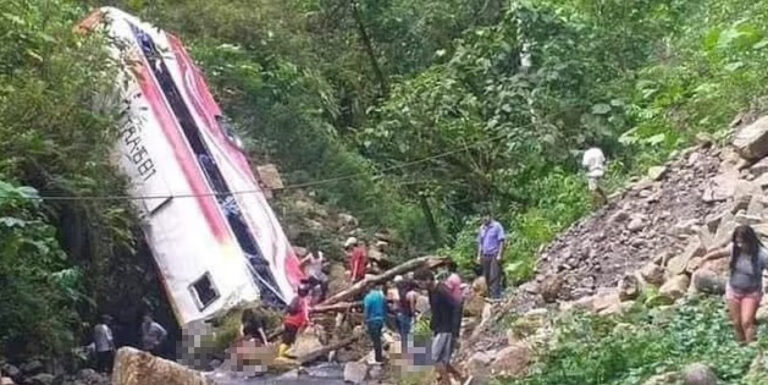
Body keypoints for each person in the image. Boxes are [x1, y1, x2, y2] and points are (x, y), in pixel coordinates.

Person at [702, 225, 768, 343]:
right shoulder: (735, 248)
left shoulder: (762, 254)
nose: (740, 245)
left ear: (750, 240)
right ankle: (740, 348)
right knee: (736, 323)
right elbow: (722, 253)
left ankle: (751, 349)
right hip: (733, 290)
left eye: (743, 242)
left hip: (751, 292)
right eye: (738, 242)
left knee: (747, 322)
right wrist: (706, 258)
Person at [414, 269, 464, 385]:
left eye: (421, 283)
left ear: (428, 279)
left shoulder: (441, 290)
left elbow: (456, 307)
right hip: (439, 328)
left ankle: (447, 383)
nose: (420, 286)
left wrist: (455, 332)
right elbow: (436, 310)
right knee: (443, 361)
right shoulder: (431, 291)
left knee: (434, 358)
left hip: (446, 329)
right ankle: (461, 378)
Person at [476, 214, 506, 300]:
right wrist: (478, 255)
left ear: (490, 216)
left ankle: (495, 297)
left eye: (485, 217)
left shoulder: (497, 226)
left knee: (494, 276)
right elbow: (480, 243)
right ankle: (487, 297)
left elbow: (501, 241)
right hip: (485, 255)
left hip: (494, 254)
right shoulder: (482, 228)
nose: (484, 219)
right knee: (486, 276)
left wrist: (500, 254)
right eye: (482, 217)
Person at [279, 285, 311, 358]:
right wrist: (308, 322)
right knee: (289, 340)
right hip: (294, 323)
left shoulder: (295, 299)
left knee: (285, 339)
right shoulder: (303, 301)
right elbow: (305, 314)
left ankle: (282, 355)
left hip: (288, 321)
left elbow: (288, 309)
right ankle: (281, 356)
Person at [363, 284, 388, 363]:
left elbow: (366, 310)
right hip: (380, 320)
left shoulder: (368, 297)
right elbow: (385, 307)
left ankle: (378, 359)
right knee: (378, 339)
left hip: (372, 320)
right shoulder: (381, 296)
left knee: (375, 340)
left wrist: (364, 321)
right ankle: (379, 357)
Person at [395, 277, 418, 357]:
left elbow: (397, 305)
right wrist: (414, 315)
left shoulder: (401, 293)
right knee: (410, 334)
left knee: (403, 334)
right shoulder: (412, 294)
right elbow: (412, 307)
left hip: (401, 314)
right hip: (408, 316)